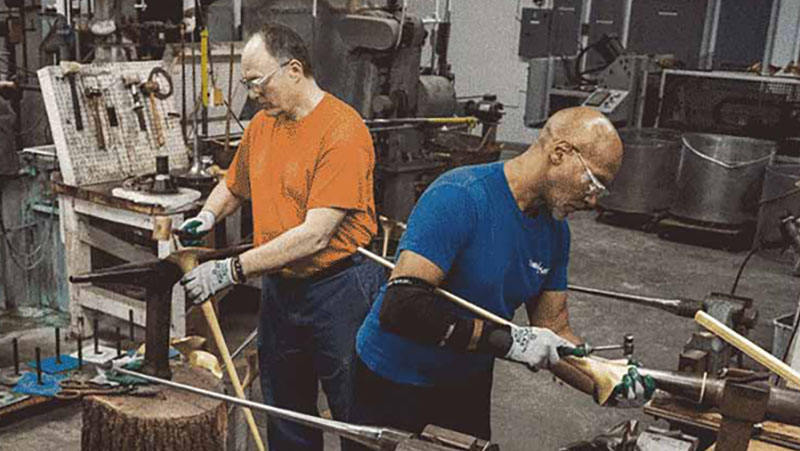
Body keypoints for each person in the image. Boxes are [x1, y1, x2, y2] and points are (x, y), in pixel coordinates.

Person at [350, 107, 653, 442]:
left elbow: (553, 329)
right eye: (594, 181)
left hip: (467, 383)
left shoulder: (555, 233)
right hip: (395, 381)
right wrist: (509, 341)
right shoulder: (461, 196)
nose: (594, 199)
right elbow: (402, 306)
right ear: (559, 153)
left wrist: (606, 379)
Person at [178, 24, 386, 451]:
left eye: (257, 82)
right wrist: (207, 213)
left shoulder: (342, 131)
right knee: (286, 410)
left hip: (339, 288)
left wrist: (231, 270)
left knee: (355, 412)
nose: (252, 94)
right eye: (246, 84)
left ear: (294, 70)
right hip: (280, 289)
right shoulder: (262, 126)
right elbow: (235, 185)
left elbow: (314, 236)